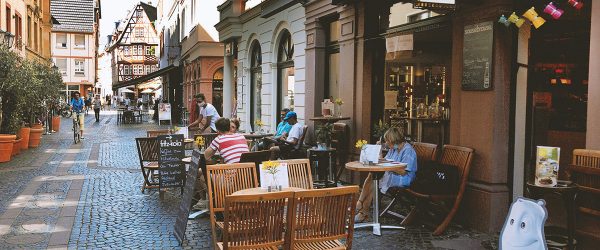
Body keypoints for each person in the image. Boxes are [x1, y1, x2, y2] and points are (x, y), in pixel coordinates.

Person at [354, 127, 417, 222]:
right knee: (373, 175)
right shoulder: (394, 149)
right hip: (392, 174)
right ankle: (361, 206)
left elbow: (404, 171)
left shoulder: (408, 151)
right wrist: (378, 151)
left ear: (393, 140)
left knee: (376, 180)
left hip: (404, 178)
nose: (386, 143)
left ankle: (362, 209)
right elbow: (384, 161)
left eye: (387, 141)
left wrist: (388, 167)